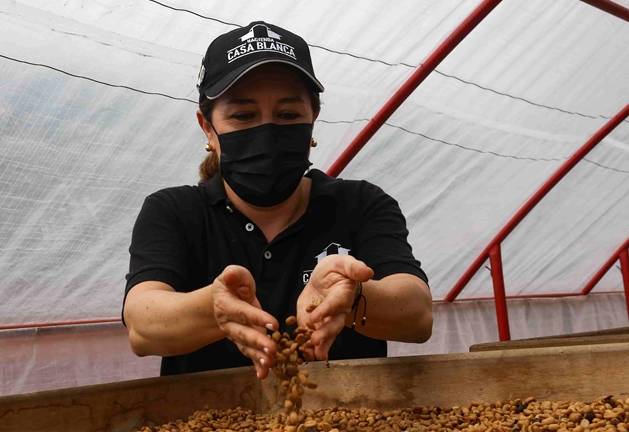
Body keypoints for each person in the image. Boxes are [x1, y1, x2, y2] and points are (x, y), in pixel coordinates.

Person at [122, 21, 432, 378]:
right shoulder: (175, 211)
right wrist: (214, 308)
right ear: (208, 128)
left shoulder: (360, 204)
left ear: (313, 119)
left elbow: (418, 315)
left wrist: (354, 296)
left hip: (351, 406)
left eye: (288, 115)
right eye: (243, 116)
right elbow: (142, 325)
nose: (267, 132)